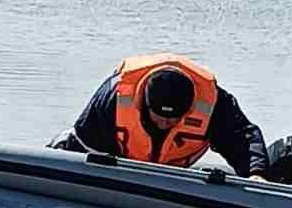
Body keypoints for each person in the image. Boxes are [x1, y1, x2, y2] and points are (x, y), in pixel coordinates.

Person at [50, 54, 270, 179]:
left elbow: (242, 137)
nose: (166, 123)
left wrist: (256, 173)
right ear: (144, 103)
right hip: (119, 163)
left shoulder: (213, 103)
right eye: (159, 116)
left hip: (171, 173)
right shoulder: (114, 97)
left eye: (174, 118)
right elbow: (87, 145)